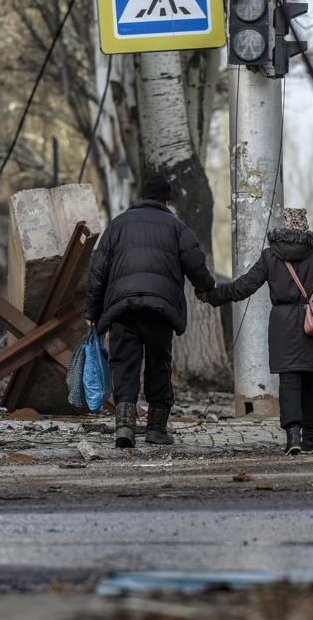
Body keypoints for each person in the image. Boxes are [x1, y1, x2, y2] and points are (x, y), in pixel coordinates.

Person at [86, 175, 216, 449]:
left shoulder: (117, 225)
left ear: (141, 196)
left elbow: (98, 271)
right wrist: (205, 288)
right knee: (159, 363)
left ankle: (124, 427)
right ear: (166, 200)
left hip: (122, 307)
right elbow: (195, 261)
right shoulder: (176, 226)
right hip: (160, 308)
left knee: (124, 364)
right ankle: (156, 428)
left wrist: (92, 311)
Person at [202, 208, 313, 455]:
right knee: (312, 378)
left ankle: (293, 437)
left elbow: (244, 286)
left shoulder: (271, 256)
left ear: (284, 227)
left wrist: (214, 296)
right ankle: (310, 436)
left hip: (283, 324)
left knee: (289, 379)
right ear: (305, 227)